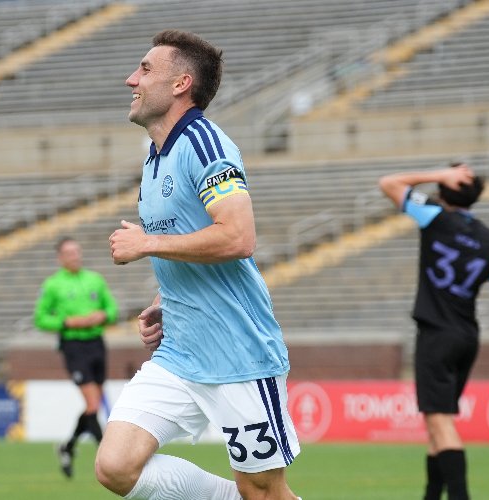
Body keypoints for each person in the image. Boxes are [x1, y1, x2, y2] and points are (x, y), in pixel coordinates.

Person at [99, 29, 300, 500]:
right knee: (116, 466)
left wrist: (146, 243)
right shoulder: (155, 157)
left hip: (238, 354)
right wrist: (164, 298)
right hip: (180, 353)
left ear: (180, 84)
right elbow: (188, 238)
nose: (131, 79)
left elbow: (238, 236)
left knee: (263, 491)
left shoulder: (206, 145)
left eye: (145, 69)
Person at [378, 163, 489, 500]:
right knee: (437, 427)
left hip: (436, 335)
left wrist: (439, 173)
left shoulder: (434, 216)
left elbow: (388, 183)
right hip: (467, 337)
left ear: (445, 188)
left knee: (441, 423)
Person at [33, 236, 118, 479]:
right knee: (93, 404)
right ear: (60, 257)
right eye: (69, 253)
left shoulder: (95, 279)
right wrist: (67, 322)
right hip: (73, 346)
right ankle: (107, 455)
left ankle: (67, 447)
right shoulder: (53, 285)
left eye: (77, 251)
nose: (75, 256)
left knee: (93, 405)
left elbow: (112, 309)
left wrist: (102, 316)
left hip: (97, 343)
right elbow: (40, 318)